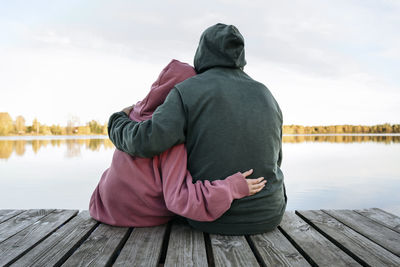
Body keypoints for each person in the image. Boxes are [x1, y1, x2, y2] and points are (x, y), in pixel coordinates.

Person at [108, 24, 286, 234]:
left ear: (202, 52)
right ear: (240, 56)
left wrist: (117, 121)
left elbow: (147, 141)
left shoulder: (187, 91)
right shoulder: (266, 94)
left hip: (212, 219)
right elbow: (276, 159)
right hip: (270, 214)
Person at [89, 59, 266, 227]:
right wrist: (231, 187)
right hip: (138, 216)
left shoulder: (132, 115)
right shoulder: (171, 135)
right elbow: (179, 199)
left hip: (101, 205)